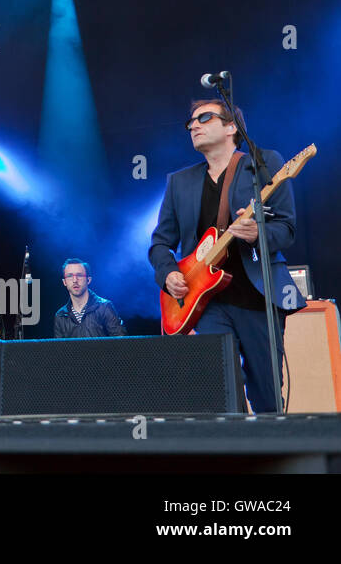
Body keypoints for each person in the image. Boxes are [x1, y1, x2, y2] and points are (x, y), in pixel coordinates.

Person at [148, 98, 303, 413]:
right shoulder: (179, 182)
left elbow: (286, 228)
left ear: (232, 126)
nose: (194, 125)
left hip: (257, 296)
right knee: (222, 390)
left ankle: (273, 453)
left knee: (267, 393)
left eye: (204, 118)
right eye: (190, 122)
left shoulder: (263, 164)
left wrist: (259, 234)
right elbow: (160, 242)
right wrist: (168, 274)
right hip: (209, 301)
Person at [52, 258, 126, 338]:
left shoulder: (104, 307)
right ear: (64, 282)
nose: (75, 280)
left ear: (88, 280)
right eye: (70, 276)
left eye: (79, 275)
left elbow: (122, 343)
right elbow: (59, 349)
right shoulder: (61, 315)